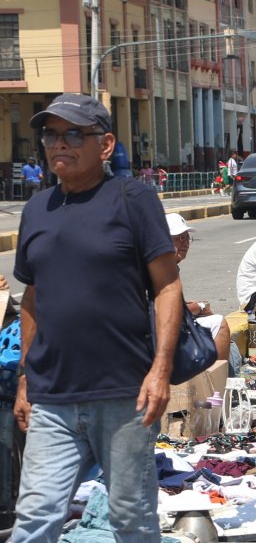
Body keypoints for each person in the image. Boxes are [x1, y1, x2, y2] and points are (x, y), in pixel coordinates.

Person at [11, 93, 183, 541]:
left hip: (125, 393)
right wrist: (26, 378)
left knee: (131, 519)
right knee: (34, 520)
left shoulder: (133, 199)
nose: (58, 143)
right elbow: (32, 298)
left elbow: (167, 286)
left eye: (73, 134)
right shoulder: (36, 210)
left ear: (105, 145)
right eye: (51, 134)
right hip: (52, 397)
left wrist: (161, 370)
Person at [166, 213, 232, 366]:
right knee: (218, 323)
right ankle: (218, 377)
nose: (185, 243)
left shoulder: (171, 265)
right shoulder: (163, 268)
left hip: (167, 327)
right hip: (161, 332)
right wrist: (198, 308)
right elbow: (170, 310)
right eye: (179, 238)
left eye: (187, 238)